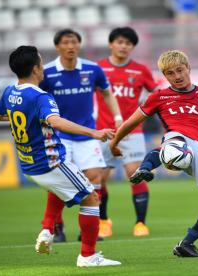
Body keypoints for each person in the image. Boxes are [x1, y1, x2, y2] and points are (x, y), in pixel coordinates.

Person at [110, 50, 198, 257]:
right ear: (165, 76)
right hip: (177, 140)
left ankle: (186, 243)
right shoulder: (159, 97)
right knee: (176, 145)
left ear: (188, 68)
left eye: (179, 70)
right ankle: (145, 168)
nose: (177, 76)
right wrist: (115, 141)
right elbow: (132, 121)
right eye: (170, 73)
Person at [0, 45, 121, 267]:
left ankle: (47, 230)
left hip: (29, 165)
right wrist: (94, 132)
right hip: (51, 163)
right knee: (92, 199)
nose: (43, 67)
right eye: (41, 63)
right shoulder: (41, 96)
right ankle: (88, 256)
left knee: (63, 190)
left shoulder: (9, 92)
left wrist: (28, 117)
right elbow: (56, 121)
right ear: (35, 69)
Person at [39, 29, 123, 242]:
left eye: (74, 42)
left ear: (79, 44)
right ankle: (57, 228)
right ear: (57, 46)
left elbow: (106, 93)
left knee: (95, 178)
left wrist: (118, 117)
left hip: (88, 135)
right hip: (59, 136)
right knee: (60, 182)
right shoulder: (47, 72)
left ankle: (89, 230)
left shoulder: (92, 69)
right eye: (66, 42)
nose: (70, 46)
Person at [95, 27, 158, 238]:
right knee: (98, 178)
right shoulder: (98, 68)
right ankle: (104, 221)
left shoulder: (140, 70)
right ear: (111, 44)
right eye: (120, 42)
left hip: (132, 131)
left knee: (135, 175)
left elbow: (156, 93)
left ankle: (140, 223)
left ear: (133, 47)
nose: (124, 46)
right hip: (104, 131)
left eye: (128, 43)